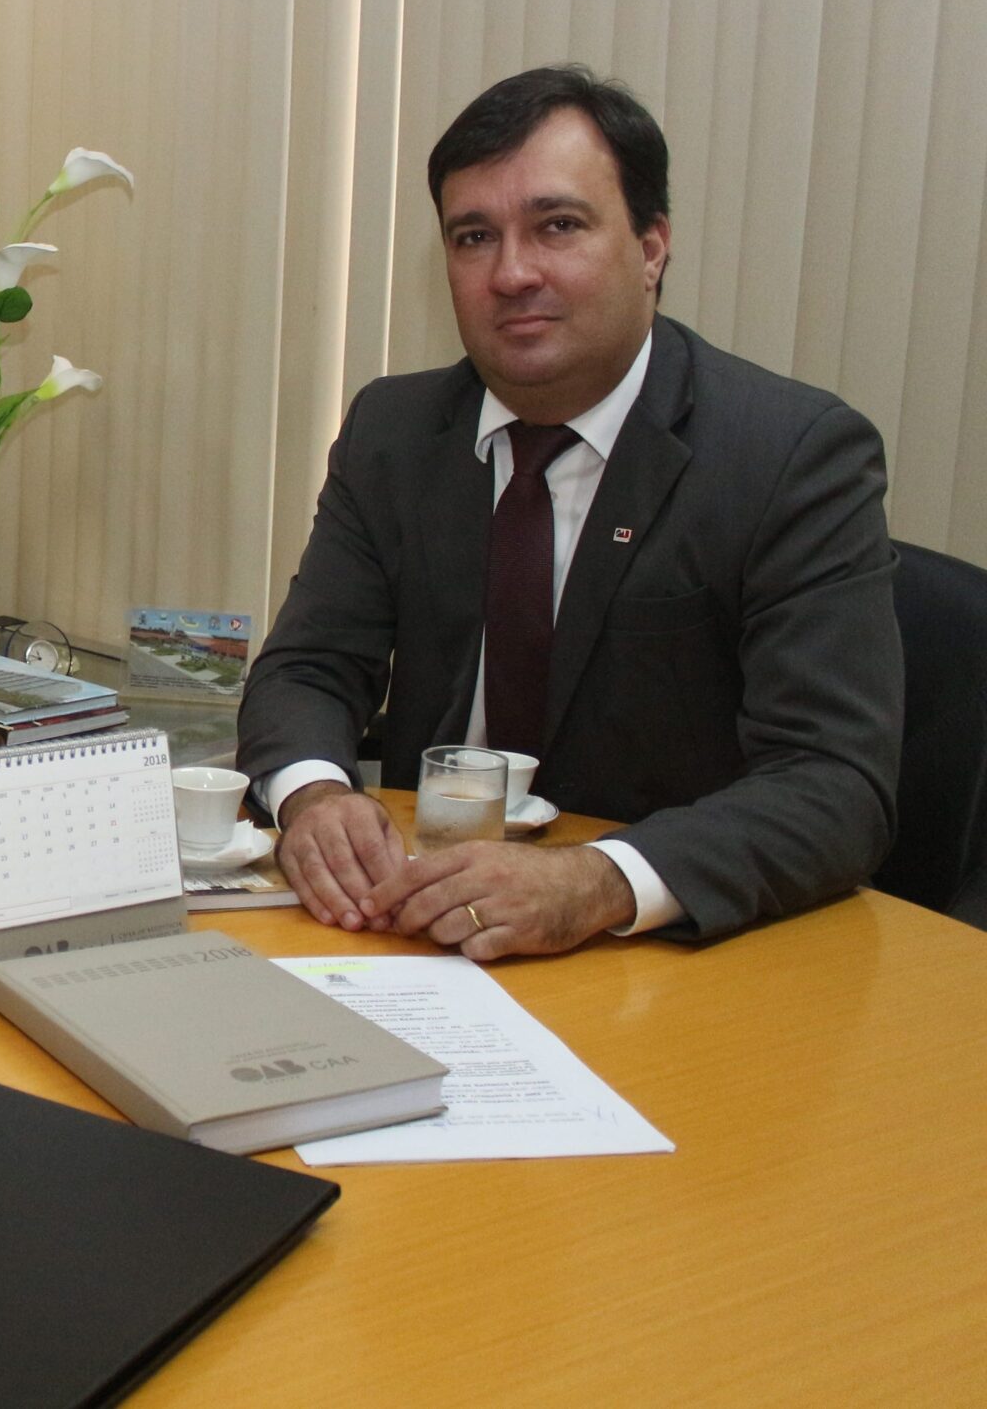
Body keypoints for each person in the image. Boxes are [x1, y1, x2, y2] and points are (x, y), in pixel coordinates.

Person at [238, 66, 899, 957]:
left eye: (558, 225)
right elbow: (309, 669)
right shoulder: (394, 432)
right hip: (414, 923)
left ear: (652, 248)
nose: (512, 273)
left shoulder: (789, 456)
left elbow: (835, 782)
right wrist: (314, 796)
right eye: (474, 237)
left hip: (656, 951)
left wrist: (597, 882)